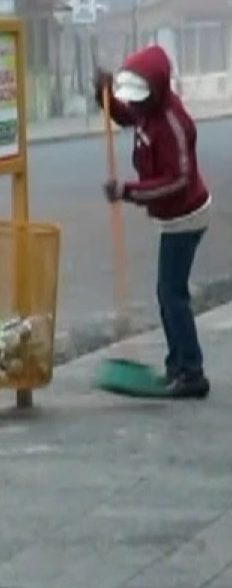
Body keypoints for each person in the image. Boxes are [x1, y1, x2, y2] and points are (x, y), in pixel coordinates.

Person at [95, 44, 212, 399]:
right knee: (167, 292)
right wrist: (105, 98)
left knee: (171, 294)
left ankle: (191, 372)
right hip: (174, 216)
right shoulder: (147, 108)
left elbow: (177, 180)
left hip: (187, 215)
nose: (137, 105)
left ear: (157, 90)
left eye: (140, 99)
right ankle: (178, 365)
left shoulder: (173, 124)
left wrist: (127, 191)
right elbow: (126, 116)